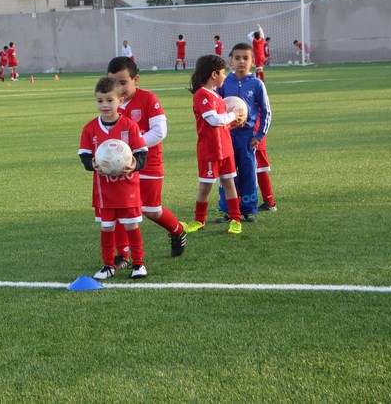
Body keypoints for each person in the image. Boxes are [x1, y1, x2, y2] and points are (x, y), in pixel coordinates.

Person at [107, 56, 187, 263]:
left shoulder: (148, 99)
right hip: (122, 165)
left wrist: (130, 148)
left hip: (149, 162)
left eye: (123, 82)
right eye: (113, 82)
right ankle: (122, 256)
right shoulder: (112, 104)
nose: (118, 88)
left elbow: (159, 132)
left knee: (151, 210)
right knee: (121, 209)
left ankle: (177, 231)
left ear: (136, 80)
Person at [78, 77, 149, 279]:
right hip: (104, 190)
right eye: (100, 101)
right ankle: (108, 264)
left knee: (130, 225)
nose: (105, 105)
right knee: (107, 226)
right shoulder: (90, 128)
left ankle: (138, 264)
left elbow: (142, 153)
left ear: (120, 100)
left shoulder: (130, 126)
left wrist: (134, 164)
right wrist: (91, 164)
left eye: (110, 100)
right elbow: (84, 155)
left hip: (127, 189)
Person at [186, 54, 245, 234]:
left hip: (225, 149)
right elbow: (213, 120)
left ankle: (235, 220)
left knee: (229, 183)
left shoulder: (216, 96)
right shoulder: (201, 95)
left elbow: (222, 123)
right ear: (213, 75)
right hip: (209, 151)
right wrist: (233, 115)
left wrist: (234, 122)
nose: (225, 76)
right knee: (205, 187)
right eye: (222, 72)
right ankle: (199, 221)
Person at [215, 43, 272, 224]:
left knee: (248, 172)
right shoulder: (223, 83)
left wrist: (259, 135)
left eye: (246, 58)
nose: (241, 62)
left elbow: (266, 111)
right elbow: (216, 107)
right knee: (227, 174)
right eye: (237, 58)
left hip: (247, 137)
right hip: (227, 136)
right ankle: (227, 210)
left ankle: (249, 210)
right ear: (230, 61)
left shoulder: (257, 84)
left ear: (253, 62)